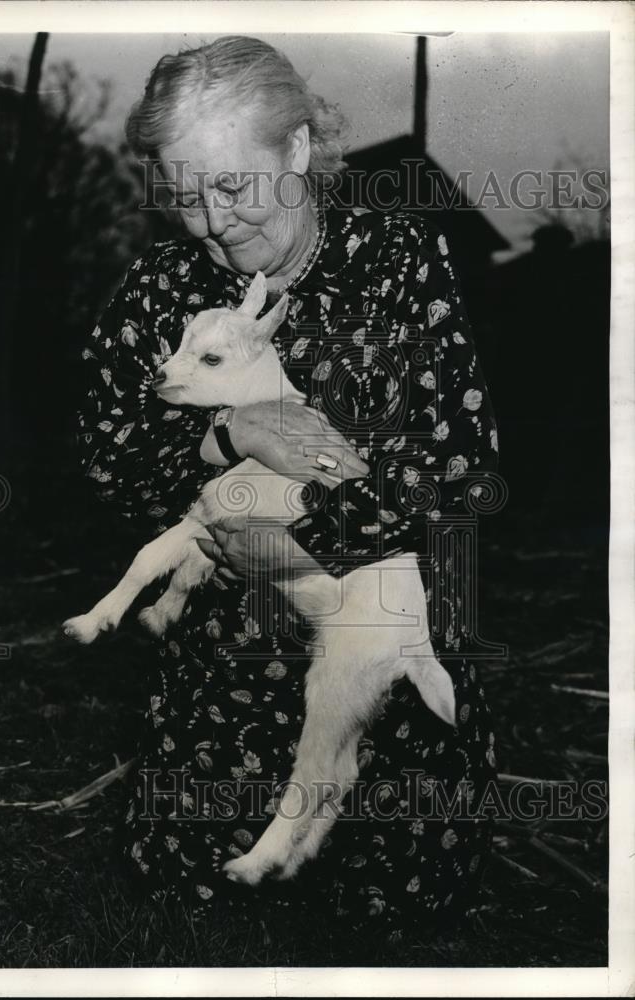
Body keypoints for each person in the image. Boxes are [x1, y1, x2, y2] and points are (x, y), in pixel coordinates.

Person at [77, 35, 499, 931]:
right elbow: (104, 462)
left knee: (392, 905)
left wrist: (300, 544)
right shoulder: (161, 287)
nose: (212, 222)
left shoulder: (394, 261)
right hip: (222, 675)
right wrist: (226, 436)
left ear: (299, 150)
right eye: (186, 197)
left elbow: (458, 465)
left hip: (375, 642)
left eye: (232, 187)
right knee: (193, 893)